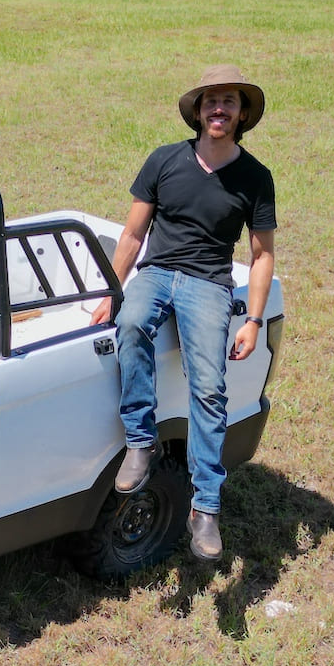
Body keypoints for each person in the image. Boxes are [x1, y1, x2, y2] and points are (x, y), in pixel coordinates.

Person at [90, 64, 277, 561]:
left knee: (210, 388)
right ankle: (140, 441)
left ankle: (206, 508)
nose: (219, 109)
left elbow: (261, 256)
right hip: (156, 273)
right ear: (197, 111)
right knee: (129, 325)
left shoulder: (255, 178)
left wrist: (254, 320)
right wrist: (113, 289)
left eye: (229, 102)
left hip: (209, 284)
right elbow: (132, 235)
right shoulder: (164, 160)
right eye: (211, 100)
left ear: (241, 115)